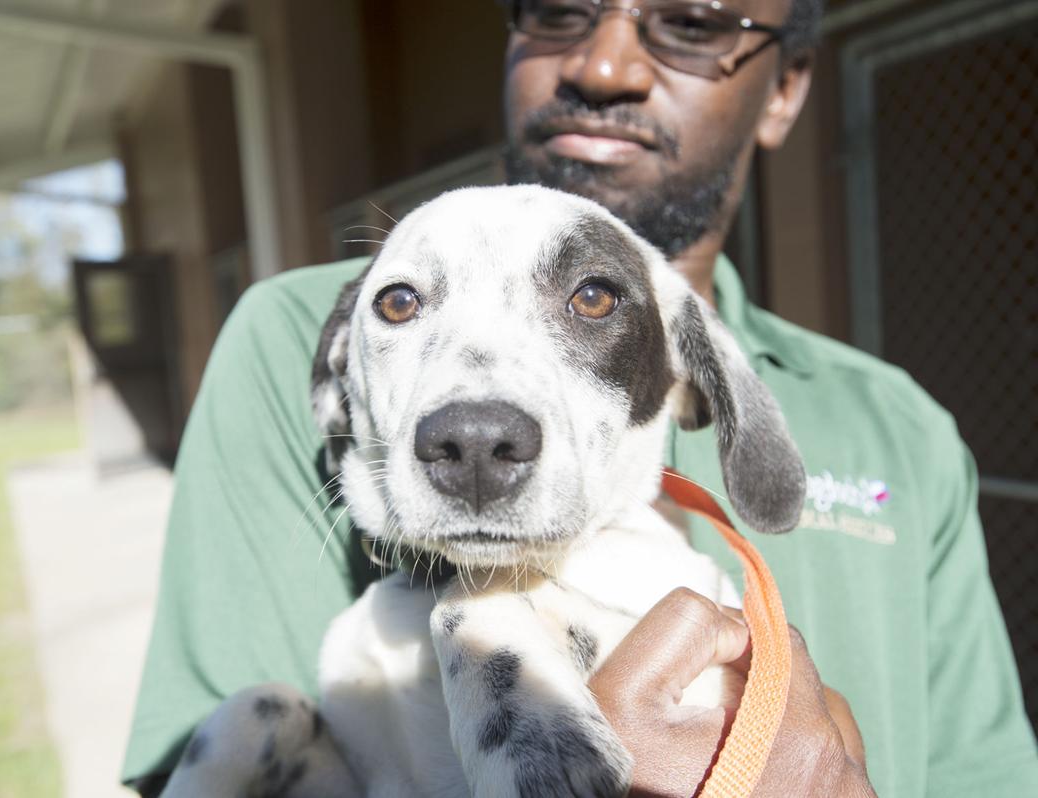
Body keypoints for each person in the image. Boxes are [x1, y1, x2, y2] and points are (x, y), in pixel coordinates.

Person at [122, 1, 1038, 795]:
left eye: (692, 22)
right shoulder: (284, 335)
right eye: (558, 9)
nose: (604, 66)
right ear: (342, 394)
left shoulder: (906, 429)